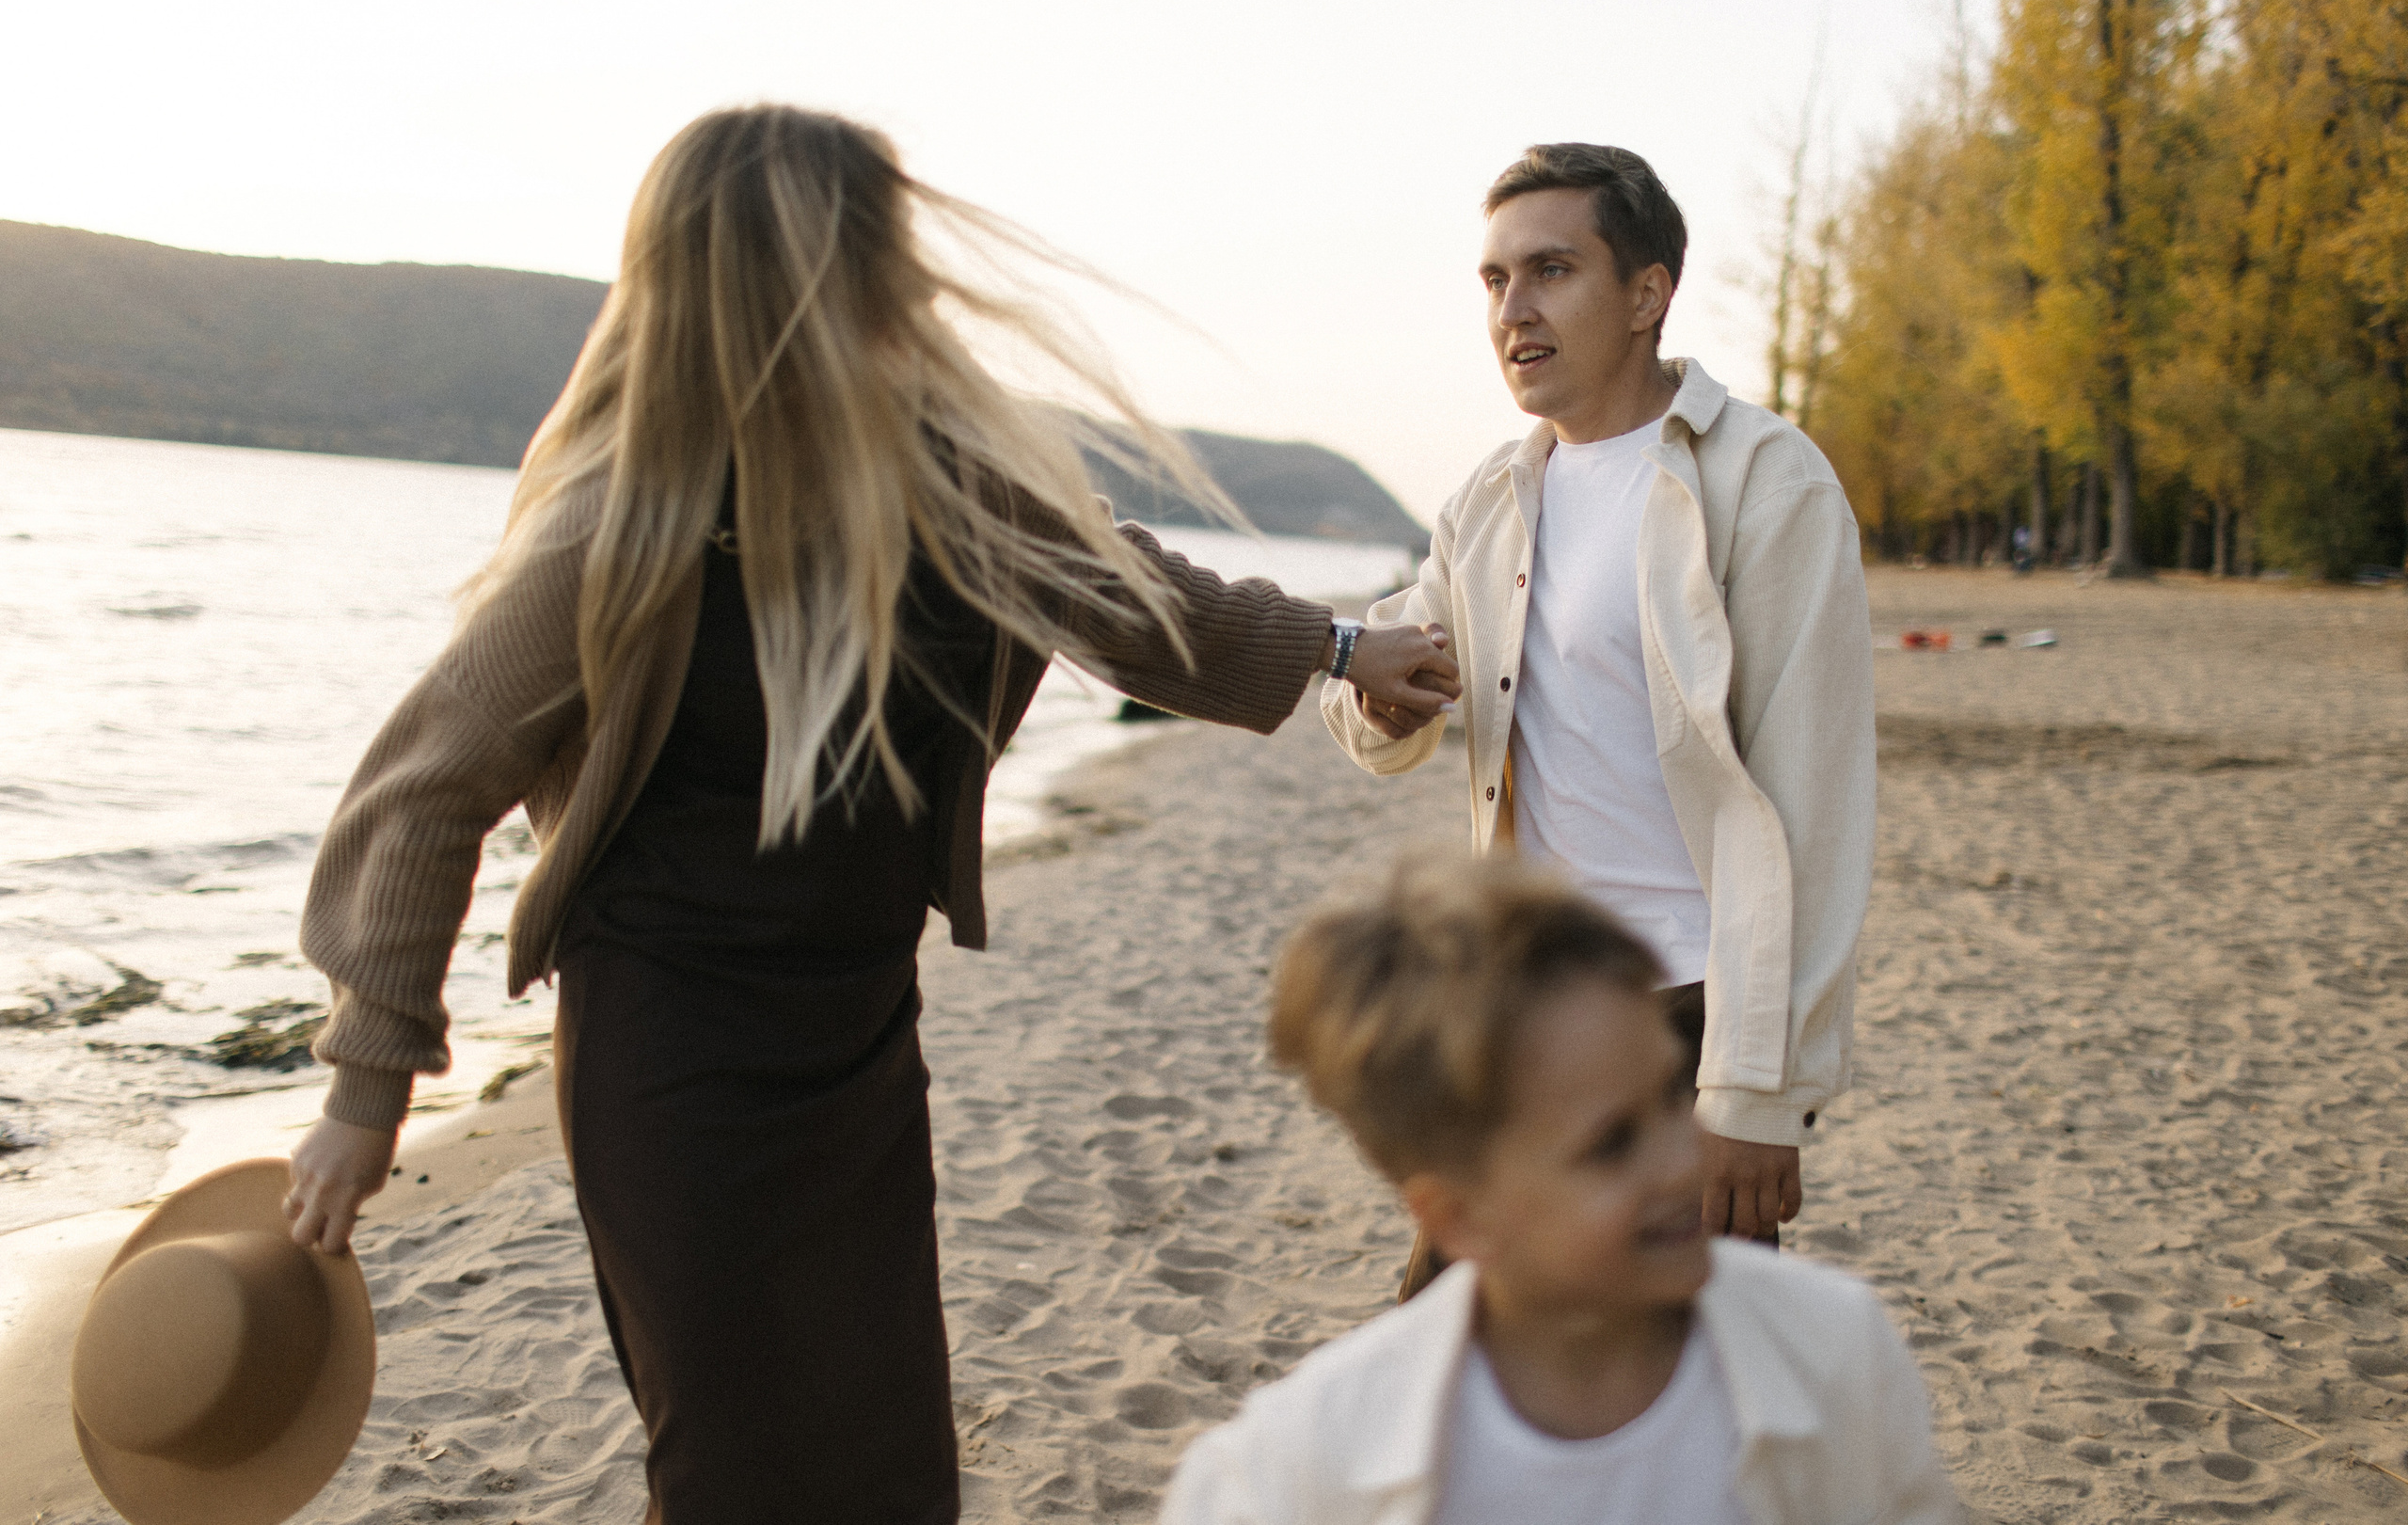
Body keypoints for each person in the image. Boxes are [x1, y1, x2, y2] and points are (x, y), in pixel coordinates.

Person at [277, 104, 1460, 1524]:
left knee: (884, 1460)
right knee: (734, 1462)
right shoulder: (623, 523)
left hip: (853, 1034)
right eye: (859, 243)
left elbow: (1138, 601)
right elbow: (417, 792)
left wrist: (1341, 645)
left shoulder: (958, 487)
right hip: (670, 1049)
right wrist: (367, 1083)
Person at [1322, 145, 1876, 1282]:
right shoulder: (1489, 498)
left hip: (1686, 1012)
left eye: (1550, 271)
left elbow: (1813, 809)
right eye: (1493, 281)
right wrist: (1372, 694)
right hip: (1520, 1004)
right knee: (1447, 1354)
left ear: (1646, 294)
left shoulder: (1767, 484)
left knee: (1672, 1401)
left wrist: (1756, 1093)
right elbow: (1384, 697)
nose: (1513, 312)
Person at [1161, 852, 1956, 1525]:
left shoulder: (1834, 1352)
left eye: (1676, 1096)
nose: (1684, 1161)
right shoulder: (1294, 1471)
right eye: (1611, 1144)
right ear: (1459, 1217)